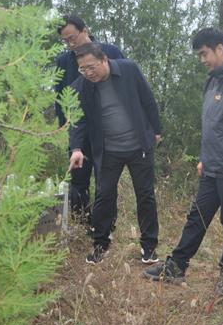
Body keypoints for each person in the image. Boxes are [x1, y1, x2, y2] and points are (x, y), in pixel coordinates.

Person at [144, 28, 223, 295]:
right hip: (212, 165)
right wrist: (204, 158)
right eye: (199, 55)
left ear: (219, 48)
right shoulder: (212, 80)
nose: (202, 59)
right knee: (197, 217)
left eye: (204, 54)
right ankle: (176, 266)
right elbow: (212, 124)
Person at [68, 43, 161, 265]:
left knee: (145, 195)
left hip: (139, 146)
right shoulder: (82, 86)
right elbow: (78, 121)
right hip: (108, 150)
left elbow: (148, 99)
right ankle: (101, 243)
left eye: (91, 67)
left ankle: (149, 247)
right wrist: (77, 149)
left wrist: (157, 130)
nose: (88, 73)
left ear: (104, 60)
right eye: (83, 69)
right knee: (104, 195)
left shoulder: (129, 69)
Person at [56, 15, 125, 220]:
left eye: (72, 38)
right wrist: (64, 130)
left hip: (107, 131)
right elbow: (60, 99)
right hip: (78, 131)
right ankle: (82, 223)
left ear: (85, 31)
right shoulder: (63, 61)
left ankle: (105, 226)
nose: (70, 44)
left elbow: (125, 88)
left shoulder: (111, 52)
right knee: (78, 181)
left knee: (106, 182)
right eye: (65, 41)